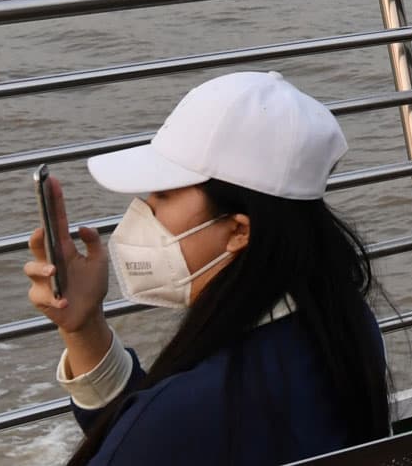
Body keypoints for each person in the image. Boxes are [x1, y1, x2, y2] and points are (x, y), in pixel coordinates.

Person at [21, 71, 389, 466]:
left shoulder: (187, 411)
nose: (144, 211)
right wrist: (84, 327)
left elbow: (156, 431)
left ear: (237, 230)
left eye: (163, 194)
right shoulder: (343, 329)